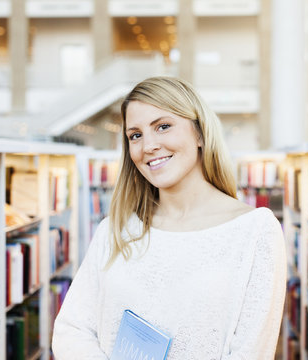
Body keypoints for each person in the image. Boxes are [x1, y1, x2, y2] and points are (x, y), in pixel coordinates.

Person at [52, 76, 287, 359]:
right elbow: (71, 329)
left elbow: (251, 352)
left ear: (199, 134)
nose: (148, 145)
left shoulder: (255, 231)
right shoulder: (114, 230)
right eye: (135, 135)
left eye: (163, 127)